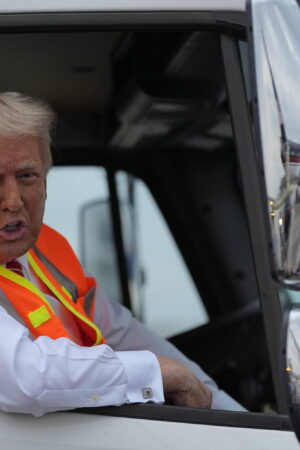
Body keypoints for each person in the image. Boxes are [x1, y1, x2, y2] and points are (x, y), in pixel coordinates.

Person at [0, 92, 244, 417]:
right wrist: (154, 373)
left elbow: (122, 332)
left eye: (27, 176)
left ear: (46, 178)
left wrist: (230, 415)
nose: (13, 200)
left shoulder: (45, 252)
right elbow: (27, 379)